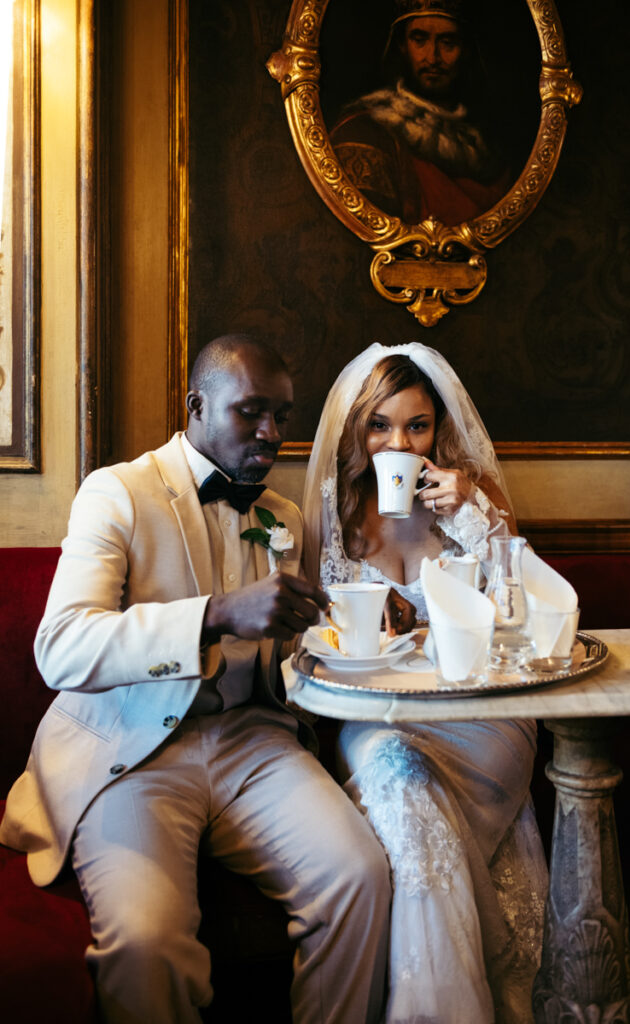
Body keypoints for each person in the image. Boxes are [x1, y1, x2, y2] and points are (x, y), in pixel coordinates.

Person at [0, 334, 391, 1024]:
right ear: (197, 406)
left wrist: (354, 635)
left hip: (254, 744)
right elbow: (60, 648)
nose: (271, 433)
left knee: (359, 877)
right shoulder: (115, 492)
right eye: (251, 412)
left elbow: (287, 654)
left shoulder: (284, 517)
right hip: (133, 752)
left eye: (282, 415)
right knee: (146, 942)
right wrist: (214, 615)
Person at [302, 342, 548, 1024]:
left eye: (416, 425)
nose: (398, 442)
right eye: (379, 424)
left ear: (437, 429)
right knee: (401, 786)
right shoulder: (334, 507)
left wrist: (469, 514)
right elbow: (315, 626)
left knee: (416, 786)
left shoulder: (475, 495)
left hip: (479, 712)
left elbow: (521, 614)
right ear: (357, 429)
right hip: (377, 711)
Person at [330, 0, 510, 225]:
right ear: (402, 45)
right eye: (419, 40)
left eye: (448, 43)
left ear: (465, 50)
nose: (432, 58)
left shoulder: (486, 146)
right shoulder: (363, 131)